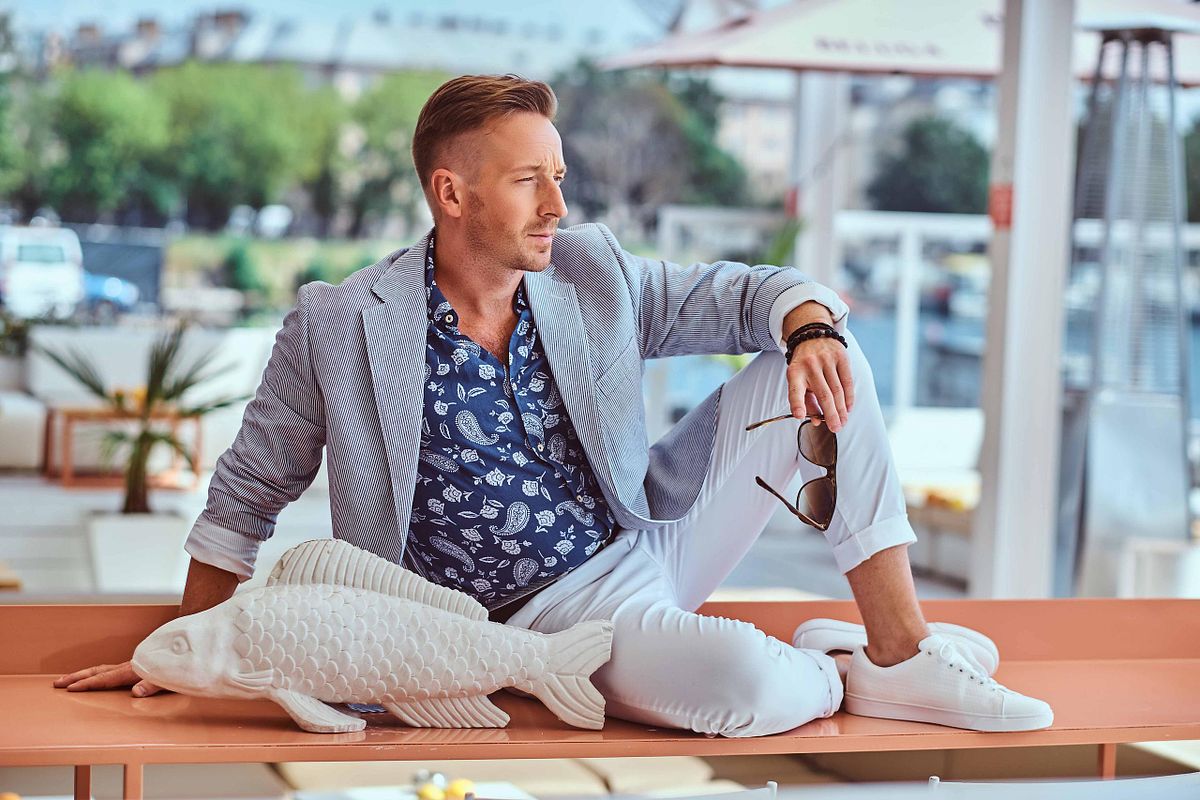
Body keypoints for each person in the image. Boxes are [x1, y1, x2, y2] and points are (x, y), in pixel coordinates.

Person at [54, 74, 1052, 737]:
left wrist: (807, 324)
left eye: (559, 177)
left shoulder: (595, 273)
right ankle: (837, 667)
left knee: (832, 361)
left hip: (647, 537)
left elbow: (756, 290)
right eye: (530, 180)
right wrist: (181, 654)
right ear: (452, 191)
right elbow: (245, 494)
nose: (556, 205)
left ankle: (898, 647)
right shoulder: (339, 321)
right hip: (527, 622)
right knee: (759, 692)